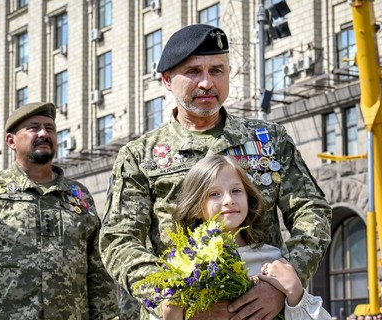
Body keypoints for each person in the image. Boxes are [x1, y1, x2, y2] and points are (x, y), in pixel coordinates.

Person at [99, 24, 332, 320]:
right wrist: (174, 298)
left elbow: (312, 210)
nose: (207, 83)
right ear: (167, 79)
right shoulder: (139, 156)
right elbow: (118, 239)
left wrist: (283, 282)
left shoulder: (270, 141)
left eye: (217, 71)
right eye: (194, 71)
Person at [0, 102, 118, 319]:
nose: (43, 134)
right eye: (34, 127)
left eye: (50, 129)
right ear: (11, 141)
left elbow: (97, 270)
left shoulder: (78, 194)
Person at [161, 154, 331, 320]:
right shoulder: (182, 268)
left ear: (249, 200)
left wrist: (294, 292)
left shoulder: (273, 262)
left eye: (236, 191)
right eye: (214, 194)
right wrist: (172, 312)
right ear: (196, 206)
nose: (228, 200)